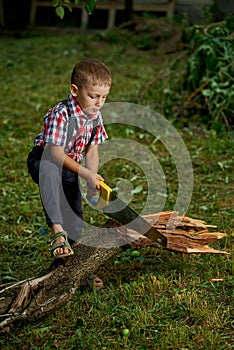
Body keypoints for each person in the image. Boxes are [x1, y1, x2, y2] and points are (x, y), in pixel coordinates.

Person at [27, 58, 111, 264]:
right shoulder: (61, 114)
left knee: (75, 220)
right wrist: (85, 173)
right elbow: (55, 154)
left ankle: (69, 264)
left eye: (104, 98)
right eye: (93, 96)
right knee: (50, 170)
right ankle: (57, 230)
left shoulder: (95, 117)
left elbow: (92, 151)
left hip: (71, 167)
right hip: (46, 160)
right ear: (75, 90)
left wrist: (93, 178)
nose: (99, 103)